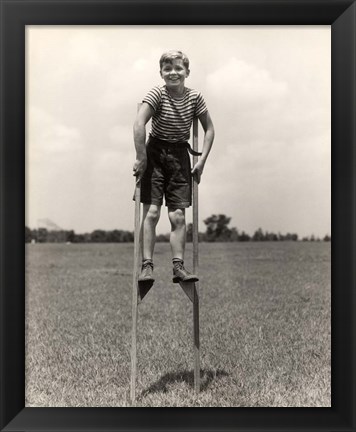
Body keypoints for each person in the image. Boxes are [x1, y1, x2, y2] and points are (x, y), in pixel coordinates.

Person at [133, 50, 214, 284]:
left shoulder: (195, 97)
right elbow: (139, 123)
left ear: (187, 71)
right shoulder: (157, 93)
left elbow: (210, 129)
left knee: (178, 216)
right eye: (167, 69)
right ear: (161, 73)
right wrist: (141, 157)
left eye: (178, 68)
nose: (173, 73)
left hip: (180, 155)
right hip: (154, 153)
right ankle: (147, 266)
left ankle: (178, 267)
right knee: (152, 212)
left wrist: (201, 161)